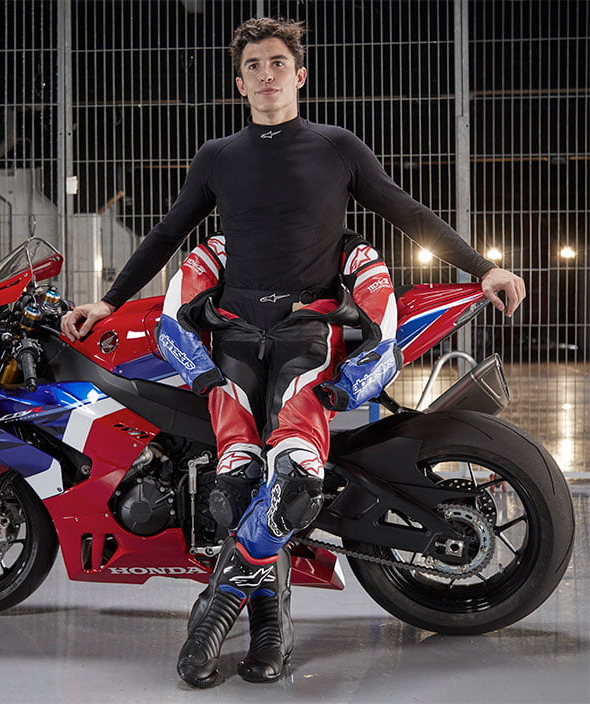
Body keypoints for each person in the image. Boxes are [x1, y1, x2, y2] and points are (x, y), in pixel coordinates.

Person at [61, 17, 525, 688]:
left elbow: (403, 209)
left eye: (278, 62)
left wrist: (481, 267)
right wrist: (108, 302)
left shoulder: (337, 146)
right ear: (240, 82)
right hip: (232, 333)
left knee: (296, 482)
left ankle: (217, 612)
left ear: (299, 75)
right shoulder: (218, 156)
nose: (267, 73)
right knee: (233, 486)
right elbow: (166, 232)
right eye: (254, 65)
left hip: (309, 332)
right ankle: (269, 625)